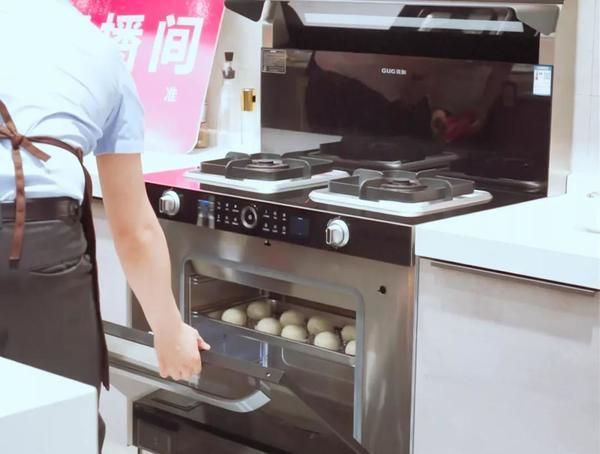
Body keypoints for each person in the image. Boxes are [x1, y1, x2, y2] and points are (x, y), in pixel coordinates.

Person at [0, 0, 209, 451]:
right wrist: (169, 331)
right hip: (44, 254)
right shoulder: (99, 51)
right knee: (58, 431)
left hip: (38, 243)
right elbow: (134, 229)